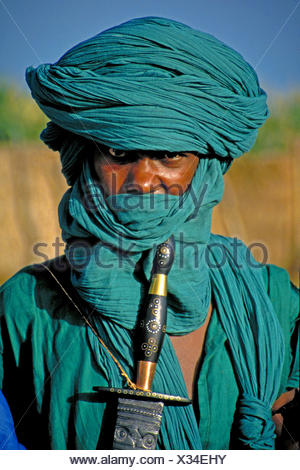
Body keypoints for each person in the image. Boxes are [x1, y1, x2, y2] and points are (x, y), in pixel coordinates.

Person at [0, 17, 298, 450]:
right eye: (119, 152)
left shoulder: (276, 304)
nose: (141, 179)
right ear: (85, 156)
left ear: (207, 166)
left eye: (170, 155)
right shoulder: (26, 308)